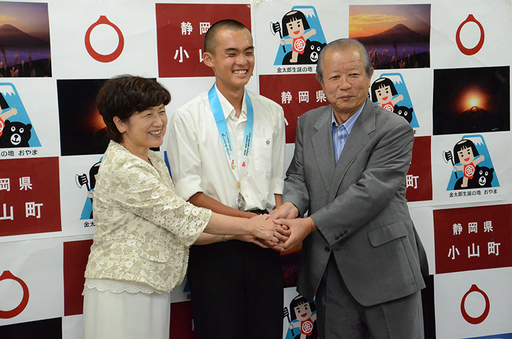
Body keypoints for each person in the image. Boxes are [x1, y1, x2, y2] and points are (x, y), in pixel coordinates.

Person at [83, 75, 285, 339]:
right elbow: (186, 217)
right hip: (122, 289)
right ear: (120, 123)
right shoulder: (124, 167)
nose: (159, 123)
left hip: (151, 286)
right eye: (147, 115)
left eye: (161, 111)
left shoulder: (152, 160)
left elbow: (181, 230)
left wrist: (239, 234)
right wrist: (252, 224)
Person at [269, 38, 428, 339]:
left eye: (354, 74)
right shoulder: (308, 123)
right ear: (320, 81)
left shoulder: (394, 129)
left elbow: (369, 193)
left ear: (370, 76)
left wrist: (309, 223)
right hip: (329, 274)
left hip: (386, 272)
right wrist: (291, 207)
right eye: (335, 76)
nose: (345, 85)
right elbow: (299, 177)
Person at [167, 19, 286, 339]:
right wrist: (248, 224)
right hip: (215, 244)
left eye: (248, 52)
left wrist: (270, 225)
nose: (242, 61)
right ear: (209, 59)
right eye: (231, 53)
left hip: (264, 241)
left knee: (268, 330)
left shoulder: (272, 112)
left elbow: (276, 181)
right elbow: (189, 193)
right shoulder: (187, 117)